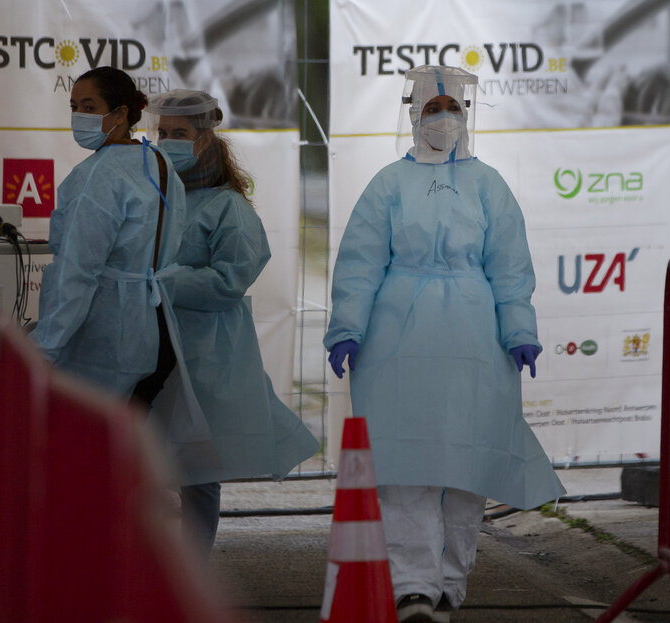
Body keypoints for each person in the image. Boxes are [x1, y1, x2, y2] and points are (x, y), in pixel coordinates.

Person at [323, 65, 565, 623]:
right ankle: (413, 588)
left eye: (452, 109)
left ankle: (450, 585)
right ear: (414, 116)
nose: (443, 120)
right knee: (405, 465)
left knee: (465, 469)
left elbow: (510, 268)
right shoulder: (388, 183)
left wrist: (520, 329)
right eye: (433, 110)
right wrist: (348, 326)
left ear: (465, 115)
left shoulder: (489, 185)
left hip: (475, 343)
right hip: (396, 345)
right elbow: (360, 261)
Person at [143, 90, 319, 555]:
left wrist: (164, 282)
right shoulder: (155, 196)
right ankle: (149, 569)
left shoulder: (229, 209)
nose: (168, 142)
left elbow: (229, 280)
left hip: (202, 352)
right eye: (163, 133)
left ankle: (192, 575)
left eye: (180, 134)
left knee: (198, 473)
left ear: (205, 139)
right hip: (147, 346)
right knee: (142, 460)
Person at [33, 66, 191, 406]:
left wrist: (44, 348)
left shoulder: (98, 175)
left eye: (90, 107)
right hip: (155, 332)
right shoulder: (158, 161)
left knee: (88, 450)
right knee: (126, 448)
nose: (79, 116)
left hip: (105, 343)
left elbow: (77, 271)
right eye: (74, 107)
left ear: (120, 113)